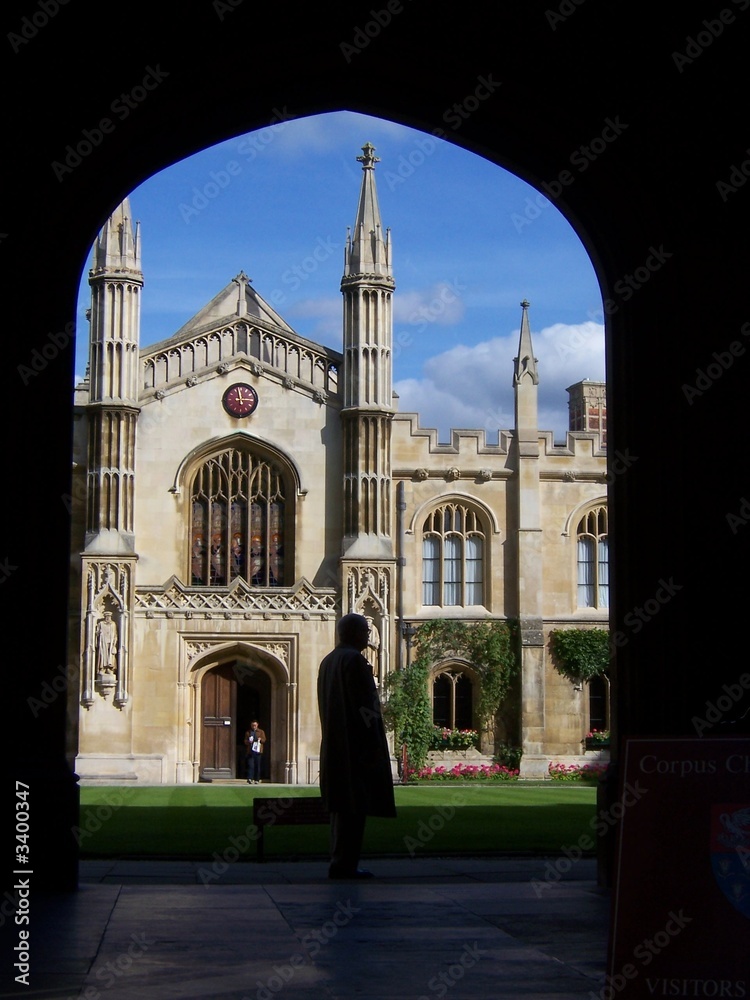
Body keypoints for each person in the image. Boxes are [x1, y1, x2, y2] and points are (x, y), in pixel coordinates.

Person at [317, 613, 396, 879]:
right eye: (364, 631)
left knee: (341, 808)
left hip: (335, 746)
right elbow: (366, 709)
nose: (369, 636)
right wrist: (372, 743)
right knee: (354, 807)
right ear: (352, 633)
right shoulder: (354, 661)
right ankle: (345, 865)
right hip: (355, 748)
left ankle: (340, 861)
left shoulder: (328, 661)